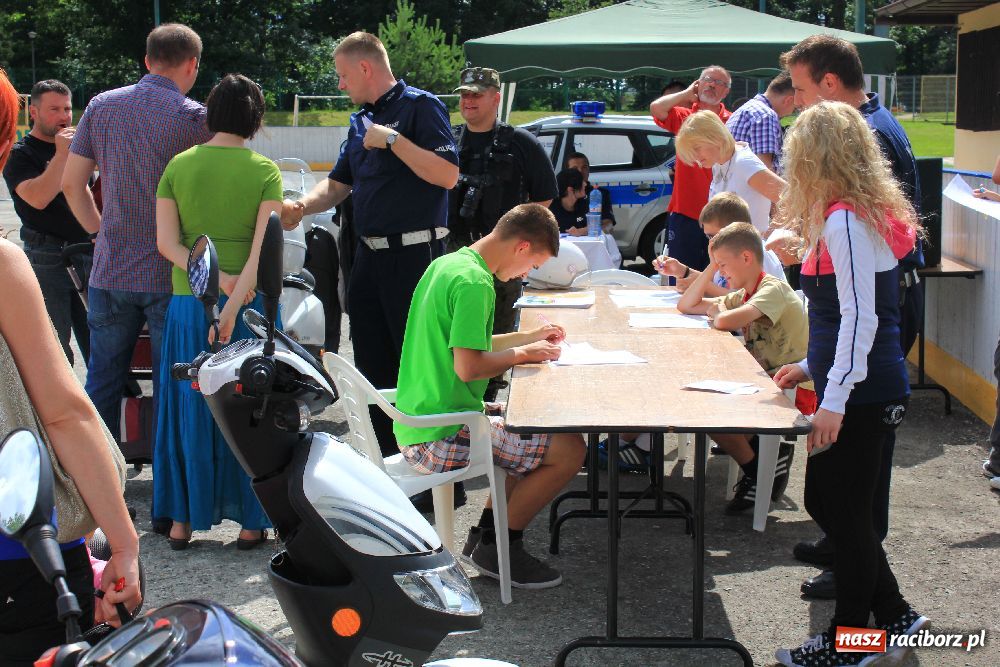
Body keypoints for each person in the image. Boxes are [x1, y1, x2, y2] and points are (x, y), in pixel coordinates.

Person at [771, 101, 928, 667]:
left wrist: (832, 400)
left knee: (845, 513)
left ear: (814, 158)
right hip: (863, 386)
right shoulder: (855, 215)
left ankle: (851, 643)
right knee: (837, 508)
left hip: (862, 393)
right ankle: (896, 615)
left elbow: (862, 318)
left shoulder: (845, 221)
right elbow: (849, 314)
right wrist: (812, 366)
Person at [0, 66, 141, 666]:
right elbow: (61, 411)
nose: (64, 117)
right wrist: (124, 542)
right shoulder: (2, 263)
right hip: (17, 548)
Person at [281, 32, 458, 460]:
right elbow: (338, 184)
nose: (340, 85)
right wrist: (301, 206)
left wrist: (394, 141)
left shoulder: (420, 107)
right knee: (372, 369)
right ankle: (387, 467)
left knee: (416, 368)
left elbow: (448, 175)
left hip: (414, 257)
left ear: (365, 67)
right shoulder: (361, 120)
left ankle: (432, 471)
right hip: (367, 258)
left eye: (344, 75)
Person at [394, 203, 585, 589]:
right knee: (570, 450)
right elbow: (469, 367)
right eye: (532, 265)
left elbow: (468, 345)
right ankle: (502, 548)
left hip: (421, 419)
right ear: (522, 247)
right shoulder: (476, 284)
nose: (526, 273)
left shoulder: (448, 265)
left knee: (527, 423)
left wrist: (527, 337)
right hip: (442, 434)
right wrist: (524, 354)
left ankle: (484, 536)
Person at [61, 24, 213, 506]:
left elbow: (72, 185)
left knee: (102, 379)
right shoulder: (196, 119)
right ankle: (170, 493)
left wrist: (98, 232)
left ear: (147, 60)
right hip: (170, 273)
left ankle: (94, 485)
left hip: (110, 270)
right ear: (192, 65)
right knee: (172, 383)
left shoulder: (102, 106)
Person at [153, 74, 280, 551]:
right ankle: (251, 522)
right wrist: (232, 298)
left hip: (189, 302)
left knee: (188, 407)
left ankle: (181, 521)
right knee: (250, 409)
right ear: (255, 118)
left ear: (210, 113)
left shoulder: (179, 165)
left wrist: (214, 280)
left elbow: (167, 243)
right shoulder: (265, 170)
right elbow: (261, 249)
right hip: (247, 309)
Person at [675, 223, 805, 513]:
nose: (721, 274)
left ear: (746, 257)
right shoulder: (746, 291)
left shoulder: (772, 289)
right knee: (704, 403)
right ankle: (764, 466)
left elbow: (724, 321)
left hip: (792, 385)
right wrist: (711, 265)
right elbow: (687, 305)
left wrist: (718, 311)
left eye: (723, 265)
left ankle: (760, 473)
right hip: (766, 380)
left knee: (710, 412)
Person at [449, 66, 557, 400]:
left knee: (494, 341)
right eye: (464, 95)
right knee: (456, 343)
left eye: (477, 95)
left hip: (503, 261)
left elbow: (543, 200)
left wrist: (520, 244)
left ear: (496, 98)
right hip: (458, 256)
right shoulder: (448, 139)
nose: (469, 101)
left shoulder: (521, 143)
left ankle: (487, 409)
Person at [2, 80, 92, 366]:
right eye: (54, 109)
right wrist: (62, 155)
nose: (64, 116)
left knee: (100, 340)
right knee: (55, 343)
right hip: (46, 255)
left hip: (86, 251)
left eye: (67, 109)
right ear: (34, 112)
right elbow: (37, 198)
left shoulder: (78, 150)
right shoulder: (21, 153)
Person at [649, 66, 733, 272]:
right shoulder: (686, 116)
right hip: (685, 211)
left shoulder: (732, 120)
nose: (712, 85)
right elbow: (657, 108)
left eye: (719, 83)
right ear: (698, 84)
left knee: (719, 274)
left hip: (721, 213)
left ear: (726, 92)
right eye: (707, 79)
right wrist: (687, 93)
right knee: (679, 273)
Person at [674, 110, 786, 236]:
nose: (695, 156)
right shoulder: (718, 164)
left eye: (697, 148)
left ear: (714, 137)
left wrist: (769, 235)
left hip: (748, 246)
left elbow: (791, 198)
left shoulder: (743, 163)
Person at [654, 191, 785, 297]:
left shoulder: (759, 255)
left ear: (733, 228)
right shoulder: (728, 252)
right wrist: (681, 270)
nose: (710, 242)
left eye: (713, 236)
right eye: (707, 236)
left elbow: (746, 301)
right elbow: (717, 284)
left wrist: (701, 287)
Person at [725, 71, 796, 172]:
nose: (792, 112)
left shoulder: (742, 111)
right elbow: (765, 170)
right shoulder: (766, 116)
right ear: (788, 100)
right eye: (795, 108)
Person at [565, 151, 615, 232]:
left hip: (592, 238)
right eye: (574, 169)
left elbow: (608, 225)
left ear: (589, 170)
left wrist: (582, 232)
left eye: (584, 167)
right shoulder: (558, 195)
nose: (580, 171)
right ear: (567, 172)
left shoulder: (601, 193)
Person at [549, 168, 588, 234]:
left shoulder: (584, 203)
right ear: (570, 190)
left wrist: (580, 231)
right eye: (581, 182)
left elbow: (596, 226)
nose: (585, 184)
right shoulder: (550, 210)